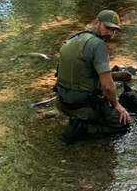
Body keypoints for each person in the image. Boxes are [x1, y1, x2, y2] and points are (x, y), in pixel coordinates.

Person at [55, 10, 131, 144]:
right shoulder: (98, 44)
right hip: (82, 106)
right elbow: (107, 87)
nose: (110, 33)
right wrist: (117, 105)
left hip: (62, 102)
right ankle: (84, 128)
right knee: (124, 123)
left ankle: (78, 119)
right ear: (96, 23)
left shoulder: (74, 39)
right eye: (107, 28)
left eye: (114, 30)